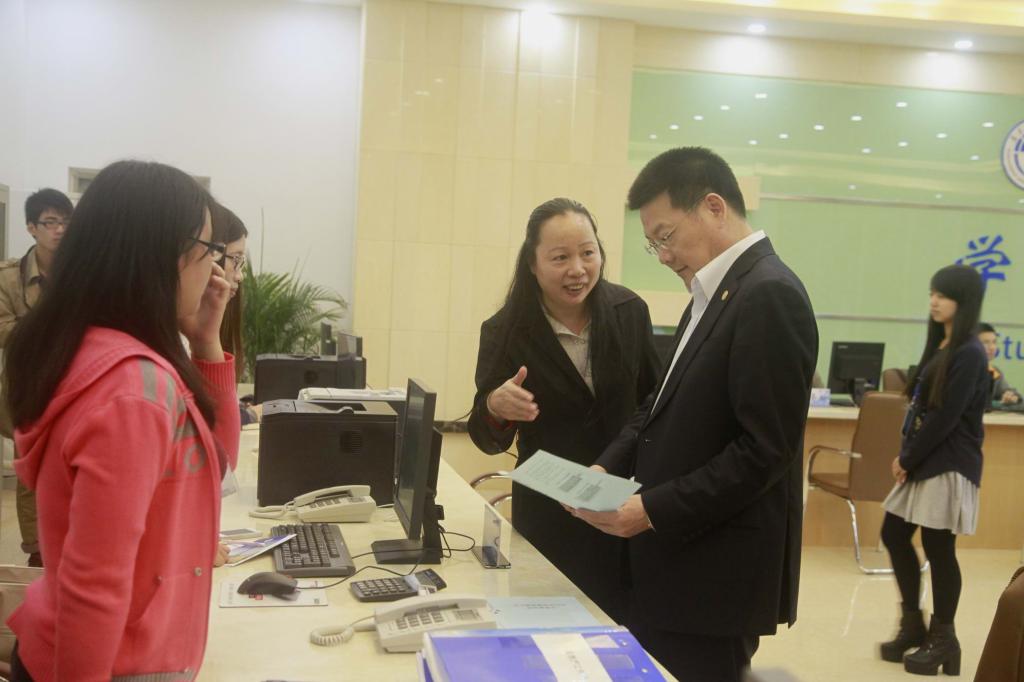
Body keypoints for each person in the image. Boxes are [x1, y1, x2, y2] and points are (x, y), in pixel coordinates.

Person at [573, 147, 818, 682]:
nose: (662, 256)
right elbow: (657, 404)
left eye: (666, 236)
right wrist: (605, 467)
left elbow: (764, 451)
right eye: (653, 243)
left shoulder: (769, 294)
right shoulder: (712, 292)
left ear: (713, 207)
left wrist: (651, 510)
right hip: (675, 564)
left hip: (715, 576)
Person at [2, 160, 240, 679]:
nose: (219, 272)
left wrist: (206, 342)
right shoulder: (132, 390)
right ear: (163, 255)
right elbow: (95, 585)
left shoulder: (101, 349)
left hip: (120, 650)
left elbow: (216, 467)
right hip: (117, 663)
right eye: (212, 251)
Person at [468, 197, 660, 623]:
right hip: (549, 516)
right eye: (560, 258)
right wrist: (496, 406)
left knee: (619, 630)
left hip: (622, 506)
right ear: (532, 264)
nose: (578, 269)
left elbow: (655, 403)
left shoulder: (629, 311)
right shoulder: (505, 330)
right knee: (549, 630)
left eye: (588, 253)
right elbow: (485, 435)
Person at [879, 264, 988, 676]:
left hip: (949, 462)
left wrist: (907, 459)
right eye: (932, 294)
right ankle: (913, 624)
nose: (934, 301)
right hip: (927, 459)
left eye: (943, 295)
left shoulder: (970, 352)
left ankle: (944, 638)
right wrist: (910, 456)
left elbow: (946, 418)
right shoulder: (944, 345)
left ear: (964, 301)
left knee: (939, 548)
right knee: (894, 533)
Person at [0, 187, 74, 568]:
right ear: (31, 227)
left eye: (65, 222)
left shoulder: (82, 272)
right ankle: (37, 549)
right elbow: (2, 328)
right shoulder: (9, 277)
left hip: (73, 382)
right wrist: (51, 328)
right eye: (50, 222)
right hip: (28, 385)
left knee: (71, 464)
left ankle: (72, 541)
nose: (59, 229)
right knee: (30, 468)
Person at [977, 322, 1021, 406]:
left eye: (994, 342)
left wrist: (1012, 397)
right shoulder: (962, 369)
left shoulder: (994, 371)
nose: (992, 347)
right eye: (985, 342)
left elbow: (1008, 391)